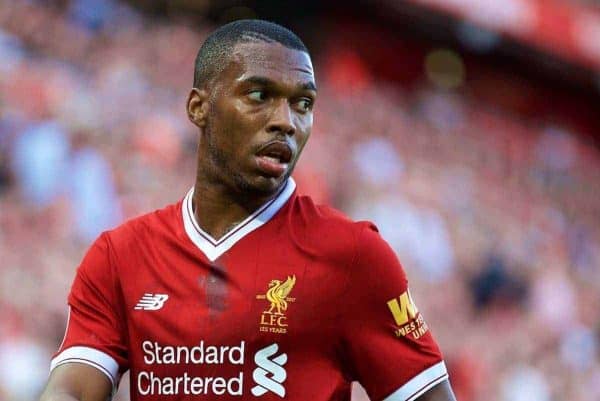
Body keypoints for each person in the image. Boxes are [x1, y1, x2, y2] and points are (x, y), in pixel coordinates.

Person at [39, 20, 456, 401]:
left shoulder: (354, 256)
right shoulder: (121, 255)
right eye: (259, 95)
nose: (286, 121)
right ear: (198, 108)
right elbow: (72, 390)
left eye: (303, 104)